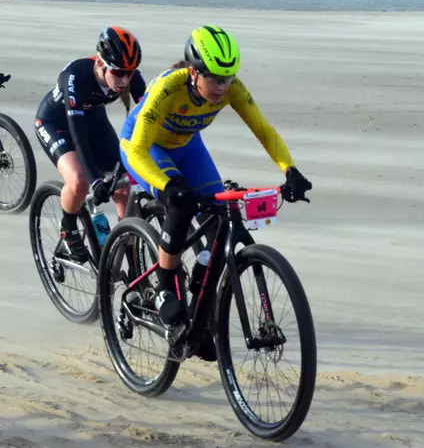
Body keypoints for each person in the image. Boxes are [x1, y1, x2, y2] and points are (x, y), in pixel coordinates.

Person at [119, 24, 312, 360]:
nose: (223, 87)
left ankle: (199, 298)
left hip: (187, 148)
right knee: (179, 206)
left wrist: (290, 170)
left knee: (220, 213)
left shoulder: (232, 88)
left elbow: (263, 130)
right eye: (215, 79)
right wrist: (169, 186)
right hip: (145, 148)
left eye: (228, 78)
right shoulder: (168, 88)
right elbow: (137, 148)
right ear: (194, 73)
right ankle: (166, 287)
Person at [34, 27, 146, 263]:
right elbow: (78, 137)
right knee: (79, 180)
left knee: (123, 188)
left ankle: (128, 252)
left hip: (95, 123)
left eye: (130, 72)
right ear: (101, 64)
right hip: (56, 124)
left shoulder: (128, 76)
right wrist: (96, 180)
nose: (125, 80)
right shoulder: (76, 77)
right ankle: (68, 228)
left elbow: (149, 115)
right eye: (118, 73)